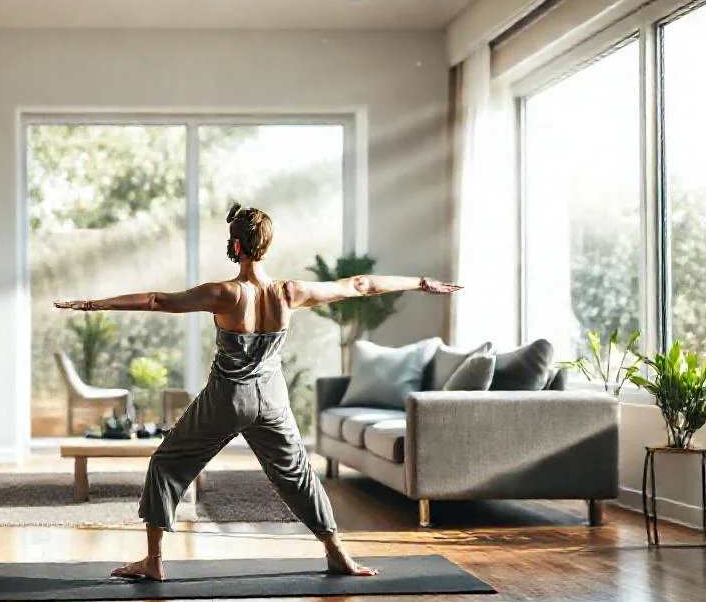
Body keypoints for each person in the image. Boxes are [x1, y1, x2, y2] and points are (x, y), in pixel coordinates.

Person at [55, 203, 461, 581]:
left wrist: (91, 304)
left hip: (228, 397)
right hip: (272, 399)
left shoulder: (225, 294)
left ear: (235, 246)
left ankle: (154, 561)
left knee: (166, 463)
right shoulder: (289, 292)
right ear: (266, 245)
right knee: (298, 476)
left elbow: (157, 300)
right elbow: (360, 285)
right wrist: (421, 282)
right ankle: (338, 553)